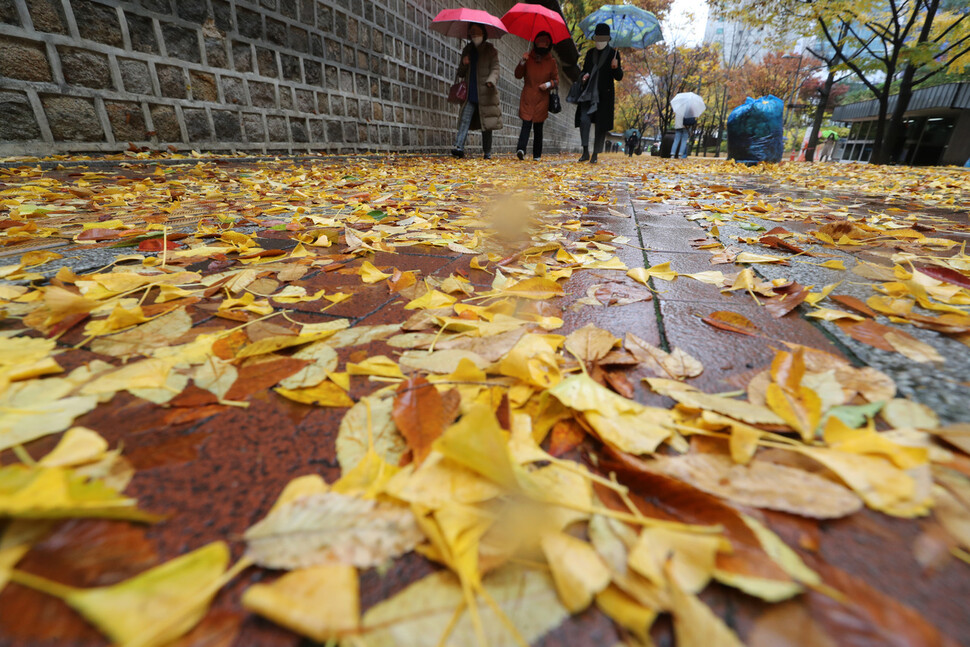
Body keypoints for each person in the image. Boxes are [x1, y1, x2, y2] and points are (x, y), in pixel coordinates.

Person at [451, 24, 502, 159]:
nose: (475, 35)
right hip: (471, 92)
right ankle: (459, 147)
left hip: (486, 91)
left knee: (487, 124)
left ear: (483, 34)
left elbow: (496, 67)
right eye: (472, 33)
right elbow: (460, 73)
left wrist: (491, 80)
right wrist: (464, 63)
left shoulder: (490, 49)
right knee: (464, 119)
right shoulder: (467, 50)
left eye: (477, 32)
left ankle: (487, 152)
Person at [575, 23, 622, 163]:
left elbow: (619, 76)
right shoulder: (590, 53)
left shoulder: (614, 54)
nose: (599, 40)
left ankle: (595, 154)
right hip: (588, 94)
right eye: (597, 37)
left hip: (604, 96)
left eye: (602, 37)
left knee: (601, 126)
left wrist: (615, 67)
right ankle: (585, 151)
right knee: (584, 120)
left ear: (607, 39)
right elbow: (584, 70)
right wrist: (583, 77)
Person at [514, 31, 559, 161]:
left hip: (542, 98)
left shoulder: (551, 62)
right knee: (526, 123)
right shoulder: (528, 58)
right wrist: (522, 62)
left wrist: (547, 84)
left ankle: (537, 155)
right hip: (528, 94)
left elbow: (556, 81)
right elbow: (518, 75)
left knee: (538, 126)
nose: (542, 48)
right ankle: (521, 149)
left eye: (545, 45)